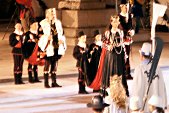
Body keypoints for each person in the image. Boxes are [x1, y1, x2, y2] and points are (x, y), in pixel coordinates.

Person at [132, 42, 167, 112]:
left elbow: (136, 89)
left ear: (141, 55)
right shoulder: (157, 68)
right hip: (156, 108)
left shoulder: (139, 69)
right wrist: (164, 104)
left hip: (142, 108)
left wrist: (135, 107)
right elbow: (162, 87)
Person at [100, 15, 129, 97]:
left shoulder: (121, 32)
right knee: (112, 70)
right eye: (114, 21)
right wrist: (108, 46)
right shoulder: (107, 33)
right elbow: (103, 43)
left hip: (119, 55)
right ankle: (110, 90)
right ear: (111, 22)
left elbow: (124, 42)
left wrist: (125, 52)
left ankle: (121, 90)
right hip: (111, 55)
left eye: (117, 21)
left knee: (120, 71)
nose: (116, 23)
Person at [38, 8, 66, 88]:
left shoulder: (58, 23)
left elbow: (62, 33)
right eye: (51, 14)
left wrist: (62, 41)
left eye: (54, 14)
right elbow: (38, 35)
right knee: (47, 64)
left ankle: (54, 82)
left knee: (55, 64)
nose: (53, 15)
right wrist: (46, 38)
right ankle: (46, 83)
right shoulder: (43, 23)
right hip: (48, 46)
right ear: (47, 14)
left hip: (56, 46)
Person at [22, 18, 41, 83]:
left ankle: (36, 77)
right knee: (30, 65)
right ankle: (30, 78)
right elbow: (24, 44)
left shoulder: (37, 34)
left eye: (37, 25)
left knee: (36, 64)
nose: (36, 26)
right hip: (30, 52)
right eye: (34, 25)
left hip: (36, 51)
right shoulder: (27, 34)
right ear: (31, 26)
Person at [119, 2, 135, 79]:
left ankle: (127, 73)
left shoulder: (129, 16)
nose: (126, 8)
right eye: (124, 7)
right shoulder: (119, 17)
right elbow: (120, 27)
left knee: (127, 55)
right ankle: (122, 73)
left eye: (127, 7)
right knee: (123, 56)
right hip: (122, 39)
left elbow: (131, 26)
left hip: (128, 39)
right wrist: (126, 32)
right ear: (121, 7)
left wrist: (132, 31)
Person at [9, 20, 25, 85]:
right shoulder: (12, 35)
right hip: (16, 51)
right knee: (17, 65)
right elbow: (11, 44)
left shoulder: (22, 34)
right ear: (15, 27)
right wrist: (16, 40)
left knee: (21, 65)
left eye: (20, 26)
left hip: (22, 51)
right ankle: (16, 80)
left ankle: (20, 79)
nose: (19, 27)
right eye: (17, 26)